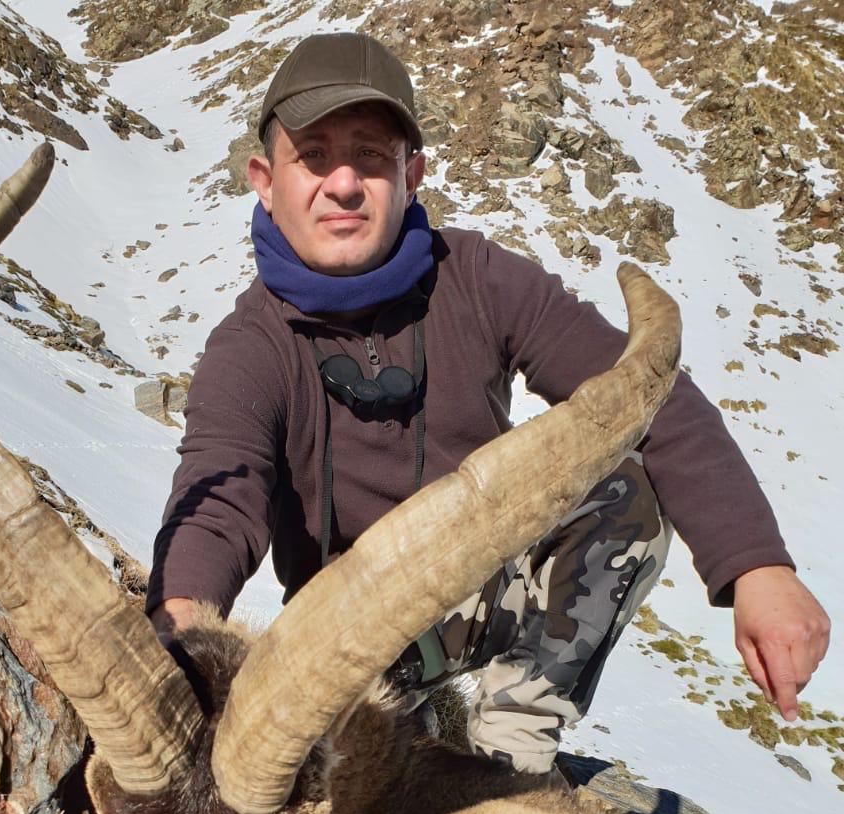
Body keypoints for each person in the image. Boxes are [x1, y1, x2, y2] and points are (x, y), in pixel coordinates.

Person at [146, 31, 829, 773]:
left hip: (485, 591)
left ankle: (510, 758)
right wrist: (179, 637)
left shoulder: (477, 278)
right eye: (313, 155)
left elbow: (643, 394)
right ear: (264, 178)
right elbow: (219, 500)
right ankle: (405, 733)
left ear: (412, 173)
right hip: (344, 642)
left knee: (619, 483)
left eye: (370, 156)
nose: (343, 184)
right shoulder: (249, 347)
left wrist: (758, 566)